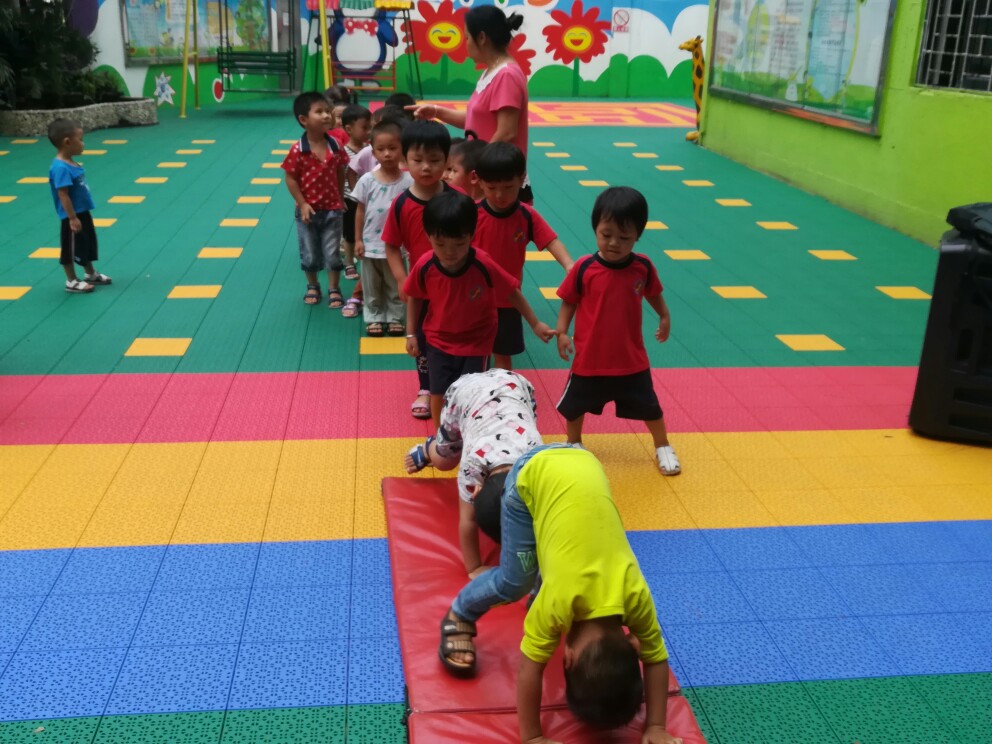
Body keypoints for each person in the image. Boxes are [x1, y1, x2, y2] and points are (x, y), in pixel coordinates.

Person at [439, 444, 681, 744]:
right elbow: (529, 669)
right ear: (566, 658)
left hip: (585, 461)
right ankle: (460, 612)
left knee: (555, 553)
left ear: (633, 644)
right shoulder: (557, 603)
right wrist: (532, 737)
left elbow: (656, 658)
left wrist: (656, 726)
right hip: (530, 473)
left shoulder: (636, 595)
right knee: (515, 581)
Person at [556, 187, 680, 475]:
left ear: (638, 235)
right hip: (590, 359)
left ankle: (662, 445)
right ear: (595, 229)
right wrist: (561, 332)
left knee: (650, 406)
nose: (614, 243)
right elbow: (568, 301)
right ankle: (573, 443)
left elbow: (654, 293)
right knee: (575, 405)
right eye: (606, 234)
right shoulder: (584, 268)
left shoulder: (642, 267)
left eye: (624, 238)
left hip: (630, 359)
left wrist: (664, 316)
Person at [402, 190, 555, 424]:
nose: (450, 253)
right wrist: (411, 333)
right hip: (438, 340)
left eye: (459, 244)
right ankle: (440, 436)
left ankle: (470, 431)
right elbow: (414, 297)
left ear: (472, 235)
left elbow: (512, 293)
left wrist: (535, 324)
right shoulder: (425, 265)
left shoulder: (483, 263)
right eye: (441, 244)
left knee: (472, 393)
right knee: (438, 391)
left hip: (476, 342)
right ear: (429, 236)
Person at [403, 368, 542, 578]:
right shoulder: (472, 467)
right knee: (445, 461)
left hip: (515, 387)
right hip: (464, 394)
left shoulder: (537, 462)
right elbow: (468, 520)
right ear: (477, 490)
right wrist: (474, 567)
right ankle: (428, 448)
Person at [408, 6, 533, 202]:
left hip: (497, 178)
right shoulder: (491, 72)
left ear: (481, 37)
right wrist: (436, 111)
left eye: (467, 37)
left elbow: (507, 132)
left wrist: (478, 167)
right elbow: (476, 120)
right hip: (485, 175)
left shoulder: (506, 75)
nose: (465, 44)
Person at [474, 142, 573, 370]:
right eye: (491, 187)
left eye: (508, 187)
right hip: (473, 297)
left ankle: (504, 390)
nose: (500, 195)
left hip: (510, 300)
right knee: (473, 353)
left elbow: (551, 240)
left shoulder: (526, 216)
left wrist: (568, 264)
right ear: (478, 181)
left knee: (503, 354)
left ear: (521, 179)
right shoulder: (471, 213)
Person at [382, 120, 453, 419]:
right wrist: (402, 279)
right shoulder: (402, 204)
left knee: (456, 332)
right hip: (421, 289)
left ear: (447, 160)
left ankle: (459, 387)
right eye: (418, 160)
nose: (426, 167)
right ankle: (426, 387)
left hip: (456, 285)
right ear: (405, 160)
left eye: (435, 160)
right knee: (421, 338)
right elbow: (391, 246)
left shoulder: (458, 200)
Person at [343, 104, 413, 319]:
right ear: (373, 153)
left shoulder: (409, 181)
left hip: (397, 245)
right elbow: (360, 211)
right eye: (381, 150)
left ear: (402, 149)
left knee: (394, 281)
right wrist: (358, 240)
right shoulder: (367, 180)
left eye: (393, 148)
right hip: (370, 242)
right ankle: (374, 315)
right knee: (371, 284)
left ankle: (395, 316)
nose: (387, 154)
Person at [281, 91, 350, 308]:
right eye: (319, 112)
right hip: (308, 212)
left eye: (328, 111)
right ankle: (312, 285)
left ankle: (334, 288)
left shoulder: (335, 145)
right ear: (303, 119)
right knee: (309, 252)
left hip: (332, 209)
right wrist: (302, 203)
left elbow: (339, 171)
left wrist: (340, 197)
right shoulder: (298, 150)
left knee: (332, 253)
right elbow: (290, 178)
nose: (327, 116)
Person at [46, 119, 112, 293]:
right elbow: (63, 194)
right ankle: (71, 280)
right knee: (70, 249)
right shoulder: (61, 168)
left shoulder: (70, 162)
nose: (83, 144)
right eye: (80, 140)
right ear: (67, 142)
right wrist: (72, 217)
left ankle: (90, 273)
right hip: (72, 216)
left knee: (86, 243)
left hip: (82, 212)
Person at [340, 104, 372, 285]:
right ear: (349, 129)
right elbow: (340, 175)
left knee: (367, 229)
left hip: (369, 198)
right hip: (350, 198)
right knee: (350, 232)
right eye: (364, 128)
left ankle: (367, 258)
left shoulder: (372, 148)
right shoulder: (343, 152)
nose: (369, 132)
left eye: (370, 127)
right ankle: (349, 262)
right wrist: (340, 198)